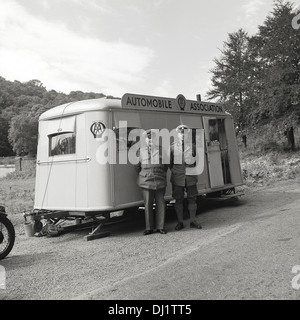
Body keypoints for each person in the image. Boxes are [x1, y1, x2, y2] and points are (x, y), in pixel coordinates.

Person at [135, 129, 169, 235]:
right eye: (148, 139)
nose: (150, 141)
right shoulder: (140, 151)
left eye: (152, 139)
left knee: (161, 204)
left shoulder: (162, 150)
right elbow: (136, 167)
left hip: (159, 180)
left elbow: (166, 166)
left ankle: (161, 227)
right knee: (148, 205)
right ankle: (149, 228)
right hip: (146, 181)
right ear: (145, 140)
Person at [170, 124, 202, 230]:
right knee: (178, 200)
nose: (182, 135)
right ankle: (180, 222)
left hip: (190, 177)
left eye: (184, 133)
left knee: (192, 199)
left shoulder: (193, 147)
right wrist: (176, 171)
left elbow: (197, 161)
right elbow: (169, 164)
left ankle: (193, 220)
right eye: (180, 133)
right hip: (178, 177)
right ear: (177, 134)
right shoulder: (172, 148)